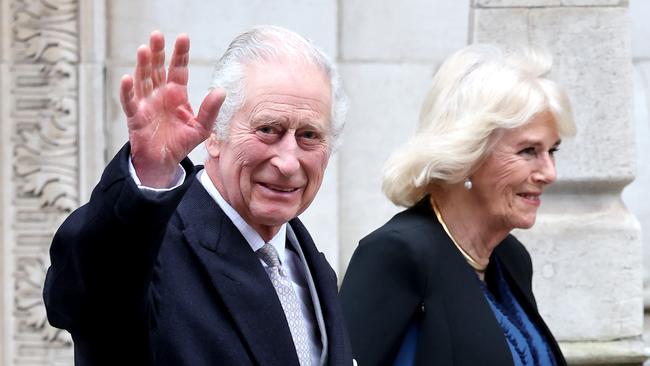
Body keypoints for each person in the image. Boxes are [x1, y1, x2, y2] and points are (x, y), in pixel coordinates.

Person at [43, 26, 352, 366]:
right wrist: (150, 176)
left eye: (309, 135)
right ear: (215, 135)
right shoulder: (154, 250)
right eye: (268, 130)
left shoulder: (308, 264)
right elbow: (86, 295)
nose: (288, 161)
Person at [339, 44, 576, 366]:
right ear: (467, 154)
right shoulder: (397, 253)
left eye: (553, 151)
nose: (549, 173)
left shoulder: (511, 258)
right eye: (528, 151)